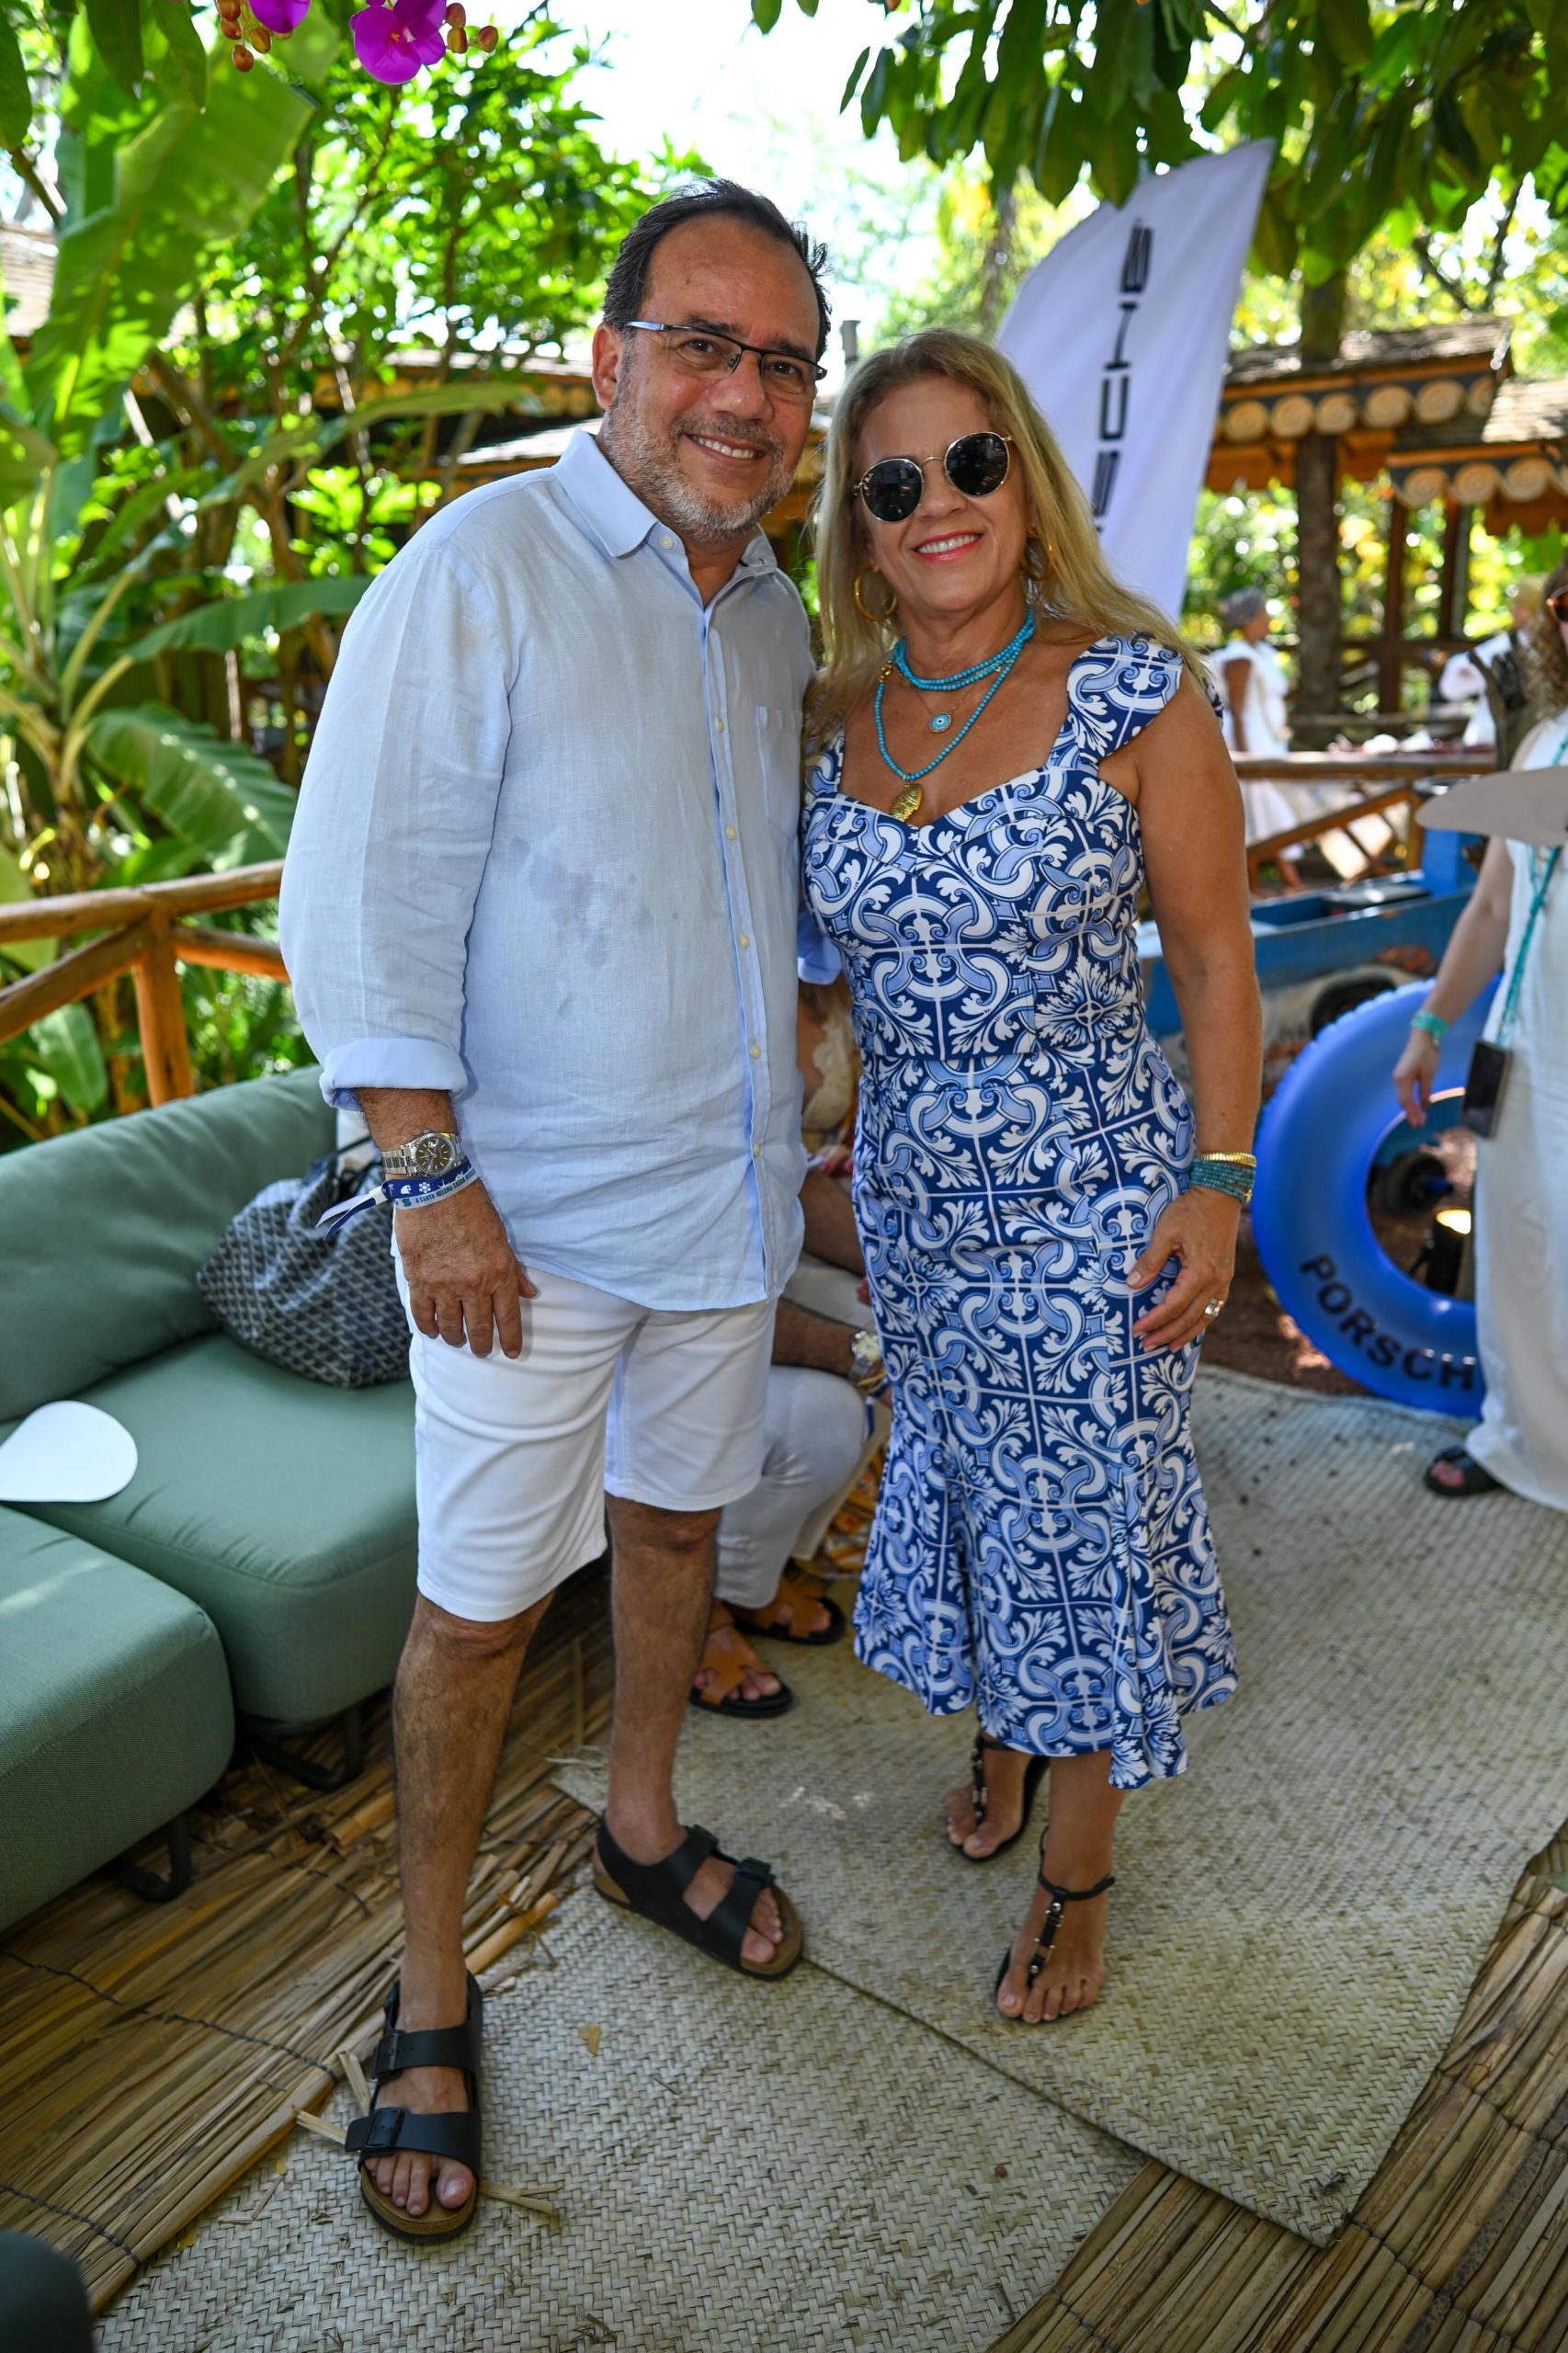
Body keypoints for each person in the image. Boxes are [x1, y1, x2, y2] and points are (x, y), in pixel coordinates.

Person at [279, 178, 829, 2239]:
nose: (745, 394)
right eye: (704, 344)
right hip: (519, 1229)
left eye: (784, 361)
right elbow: (360, 900)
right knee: (481, 1601)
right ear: (609, 361)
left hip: (725, 1198)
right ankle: (429, 1981)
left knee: (678, 1528)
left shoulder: (772, 614)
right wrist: (427, 1187)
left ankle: (641, 1822)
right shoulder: (479, 566)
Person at [803, 327, 1260, 2027]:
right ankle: (1005, 1727)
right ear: (859, 529)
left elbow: (1212, 959)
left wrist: (1218, 1181)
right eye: (894, 482)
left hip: (1094, 1200)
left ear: (1026, 483)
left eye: (971, 463)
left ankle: (1076, 1886)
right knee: (970, 1487)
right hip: (917, 1206)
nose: (939, 502)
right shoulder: (828, 722)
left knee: (1078, 1525)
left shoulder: (1133, 691)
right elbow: (827, 976)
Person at [1393, 559, 1568, 1510]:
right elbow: (1494, 904)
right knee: (1520, 1244)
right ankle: (1522, 1443)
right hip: (1524, 1044)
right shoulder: (1541, 740)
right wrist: (1428, 1025)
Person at [694, 1163, 888, 1716]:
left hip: (759, 1257)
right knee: (824, 1422)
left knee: (908, 1325)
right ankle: (698, 1606)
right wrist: (865, 1361)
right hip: (670, 1298)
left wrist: (895, 1274)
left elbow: (791, 1172)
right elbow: (691, 1288)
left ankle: (754, 1577)